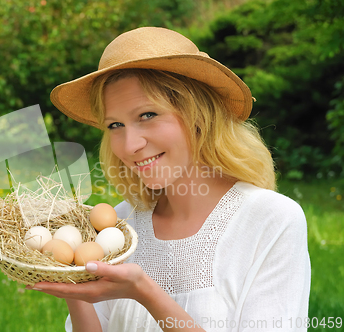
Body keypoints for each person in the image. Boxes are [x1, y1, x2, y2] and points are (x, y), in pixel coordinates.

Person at [26, 27, 311, 332]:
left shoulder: (271, 221)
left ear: (199, 115)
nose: (129, 144)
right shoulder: (118, 227)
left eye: (147, 115)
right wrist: (74, 280)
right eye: (115, 125)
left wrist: (145, 293)